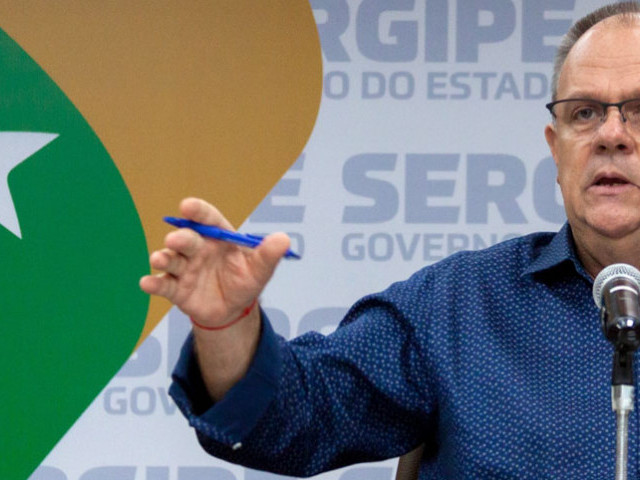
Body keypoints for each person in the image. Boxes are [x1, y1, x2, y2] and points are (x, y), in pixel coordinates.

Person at [139, 2, 640, 478]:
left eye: (638, 110)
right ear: (556, 150)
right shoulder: (462, 308)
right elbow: (297, 414)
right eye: (584, 113)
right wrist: (229, 325)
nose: (611, 134)